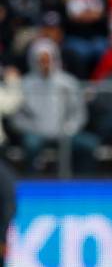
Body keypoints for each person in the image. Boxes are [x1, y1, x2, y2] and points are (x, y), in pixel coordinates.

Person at [10, 38, 98, 174]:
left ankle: (84, 181)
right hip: (35, 133)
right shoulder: (24, 84)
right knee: (31, 144)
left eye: (48, 59)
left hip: (65, 132)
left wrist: (69, 128)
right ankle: (31, 181)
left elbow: (79, 113)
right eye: (41, 60)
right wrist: (34, 129)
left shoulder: (68, 83)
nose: (45, 64)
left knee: (89, 145)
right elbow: (17, 116)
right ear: (33, 60)